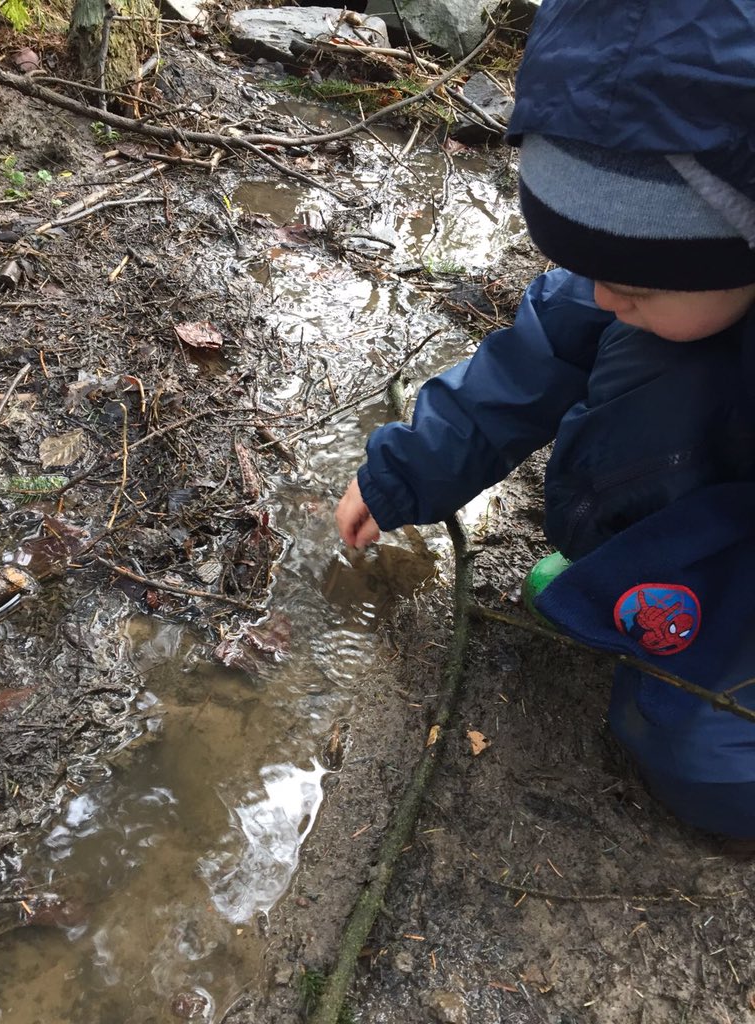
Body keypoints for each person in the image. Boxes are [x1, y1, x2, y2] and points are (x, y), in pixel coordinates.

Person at [335, 0, 755, 838]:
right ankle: (618, 567)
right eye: (584, 268)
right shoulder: (630, 279)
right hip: (676, 503)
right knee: (614, 343)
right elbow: (522, 369)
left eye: (635, 286)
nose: (602, 296)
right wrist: (404, 472)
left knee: (707, 769)